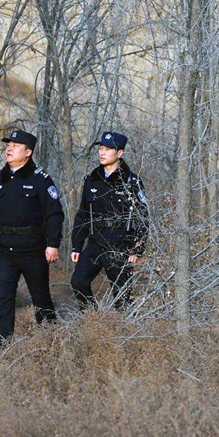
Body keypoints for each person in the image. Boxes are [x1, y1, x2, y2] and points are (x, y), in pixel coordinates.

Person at [0, 129, 65, 345]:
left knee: (41, 299)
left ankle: (51, 343)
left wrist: (53, 244)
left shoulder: (40, 180)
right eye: (8, 145)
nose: (9, 149)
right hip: (5, 250)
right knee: (4, 298)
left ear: (28, 152)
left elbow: (54, 214)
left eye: (15, 146)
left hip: (33, 250)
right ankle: (2, 348)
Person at [70, 131, 149, 310]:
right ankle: (92, 318)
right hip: (95, 242)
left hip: (120, 246)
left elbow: (143, 217)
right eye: (101, 149)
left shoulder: (131, 182)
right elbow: (83, 214)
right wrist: (77, 245)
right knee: (78, 281)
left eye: (108, 149)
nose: (102, 153)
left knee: (122, 298)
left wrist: (137, 249)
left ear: (120, 153)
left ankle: (124, 325)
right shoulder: (92, 180)